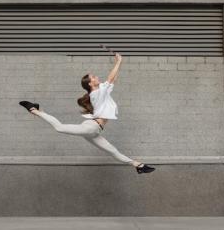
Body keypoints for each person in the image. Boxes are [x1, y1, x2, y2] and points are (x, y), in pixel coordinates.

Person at [19, 45, 155, 174]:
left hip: (94, 130)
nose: (97, 77)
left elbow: (112, 80)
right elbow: (110, 78)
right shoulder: (96, 93)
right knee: (59, 128)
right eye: (94, 77)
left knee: (113, 151)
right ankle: (34, 109)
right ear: (91, 84)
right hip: (91, 127)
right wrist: (118, 62)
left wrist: (119, 63)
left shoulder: (102, 91)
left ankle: (139, 166)